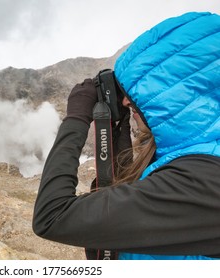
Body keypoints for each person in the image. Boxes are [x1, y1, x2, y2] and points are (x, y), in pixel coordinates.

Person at [32, 11, 220, 260]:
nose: (123, 100)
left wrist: (76, 120)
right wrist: (116, 132)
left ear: (181, 95)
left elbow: (52, 216)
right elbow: (132, 211)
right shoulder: (194, 158)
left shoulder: (200, 183)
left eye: (140, 91)